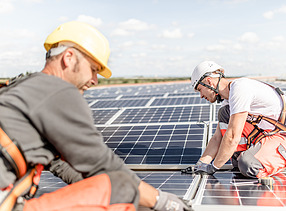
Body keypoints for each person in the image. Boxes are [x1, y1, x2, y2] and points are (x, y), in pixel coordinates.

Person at [0, 21, 192, 211]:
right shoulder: (58, 91)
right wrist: (163, 201)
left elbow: (59, 164)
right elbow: (105, 166)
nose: (94, 80)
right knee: (122, 187)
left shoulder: (24, 88)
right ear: (68, 57)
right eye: (93, 69)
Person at [182, 60, 286, 178]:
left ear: (209, 82)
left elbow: (232, 136)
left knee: (248, 165)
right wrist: (200, 164)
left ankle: (283, 163)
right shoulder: (228, 102)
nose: (201, 96)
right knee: (224, 114)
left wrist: (214, 167)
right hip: (270, 135)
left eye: (200, 89)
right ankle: (257, 156)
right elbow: (217, 138)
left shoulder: (240, 88)